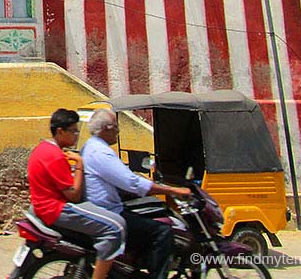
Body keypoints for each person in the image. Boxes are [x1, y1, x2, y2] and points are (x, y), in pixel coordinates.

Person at [82, 108, 192, 279]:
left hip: (101, 209)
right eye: (115, 127)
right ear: (105, 129)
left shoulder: (89, 146)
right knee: (163, 232)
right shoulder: (101, 152)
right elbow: (132, 183)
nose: (118, 132)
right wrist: (173, 190)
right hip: (109, 212)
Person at [27, 109, 126, 279]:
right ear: (60, 131)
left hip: (44, 206)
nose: (76, 135)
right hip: (56, 209)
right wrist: (80, 164)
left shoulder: (42, 149)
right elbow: (74, 195)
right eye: (73, 131)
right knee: (116, 227)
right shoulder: (55, 156)